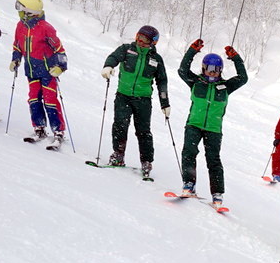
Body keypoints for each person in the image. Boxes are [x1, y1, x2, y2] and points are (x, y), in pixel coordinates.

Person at [177, 40, 247, 205]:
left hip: (214, 129)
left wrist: (236, 58)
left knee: (213, 160)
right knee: (189, 153)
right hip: (194, 124)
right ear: (203, 68)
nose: (212, 72)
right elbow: (182, 70)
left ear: (221, 71)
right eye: (209, 69)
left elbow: (243, 78)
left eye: (216, 70)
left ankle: (217, 194)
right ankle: (189, 184)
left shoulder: (225, 86)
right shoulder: (196, 82)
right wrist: (192, 52)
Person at [100, 25, 171, 177]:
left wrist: (165, 103)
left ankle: (146, 162)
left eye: (144, 39)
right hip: (123, 96)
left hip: (143, 100)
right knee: (120, 125)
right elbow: (113, 57)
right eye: (139, 36)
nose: (139, 41)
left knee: (143, 132)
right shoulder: (126, 50)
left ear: (153, 43)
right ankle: (118, 155)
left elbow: (162, 81)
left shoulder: (156, 59)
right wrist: (108, 66)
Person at [10, 0, 68, 143]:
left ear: (29, 12)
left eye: (20, 8)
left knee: (50, 100)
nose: (18, 11)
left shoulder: (45, 28)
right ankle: (39, 128)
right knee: (34, 99)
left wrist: (61, 67)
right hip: (31, 71)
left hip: (48, 71)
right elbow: (17, 45)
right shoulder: (20, 26)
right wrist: (15, 59)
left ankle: (58, 131)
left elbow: (59, 49)